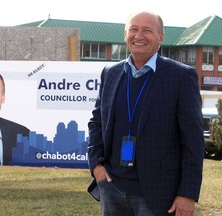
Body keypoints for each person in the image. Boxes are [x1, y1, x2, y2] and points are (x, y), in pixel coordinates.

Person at [87, 11, 205, 216]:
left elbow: (193, 141)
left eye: (147, 30)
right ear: (125, 34)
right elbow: (96, 122)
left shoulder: (181, 76)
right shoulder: (110, 73)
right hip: (112, 188)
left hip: (159, 195)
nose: (138, 36)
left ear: (160, 37)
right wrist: (96, 164)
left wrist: (188, 194)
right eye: (133, 29)